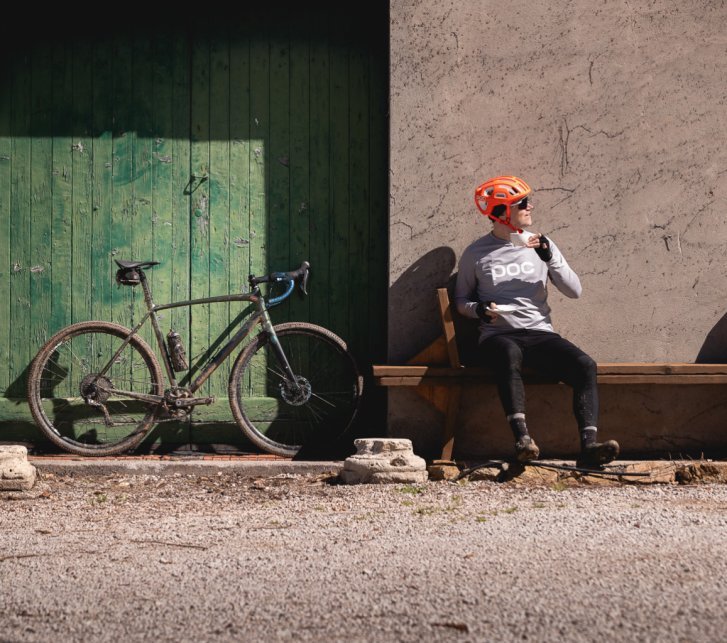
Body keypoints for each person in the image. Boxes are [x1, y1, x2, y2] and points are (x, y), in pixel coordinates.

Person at [455, 175, 619, 466]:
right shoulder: (476, 254)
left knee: (585, 365)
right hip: (498, 335)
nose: (530, 207)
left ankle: (590, 445)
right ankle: (522, 440)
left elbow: (574, 290)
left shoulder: (542, 245)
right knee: (509, 352)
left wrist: (548, 257)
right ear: (502, 212)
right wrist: (480, 310)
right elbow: (461, 302)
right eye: (522, 204)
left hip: (540, 334)